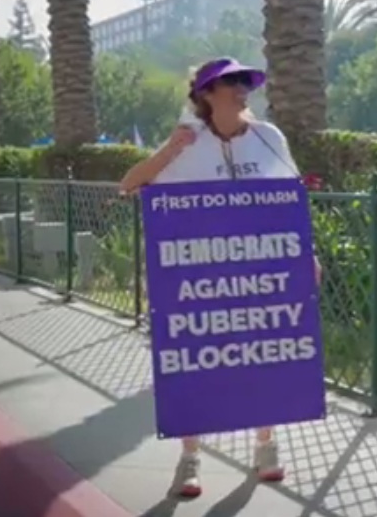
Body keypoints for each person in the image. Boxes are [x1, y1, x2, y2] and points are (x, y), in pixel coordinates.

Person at [120, 57, 320, 499]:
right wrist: (171, 149)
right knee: (194, 361)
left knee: (264, 353)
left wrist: (308, 255)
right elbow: (129, 185)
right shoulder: (187, 144)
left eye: (245, 81)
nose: (242, 88)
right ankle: (189, 458)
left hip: (260, 272)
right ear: (206, 94)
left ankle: (266, 445)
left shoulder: (269, 139)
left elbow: (291, 201)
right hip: (200, 277)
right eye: (231, 81)